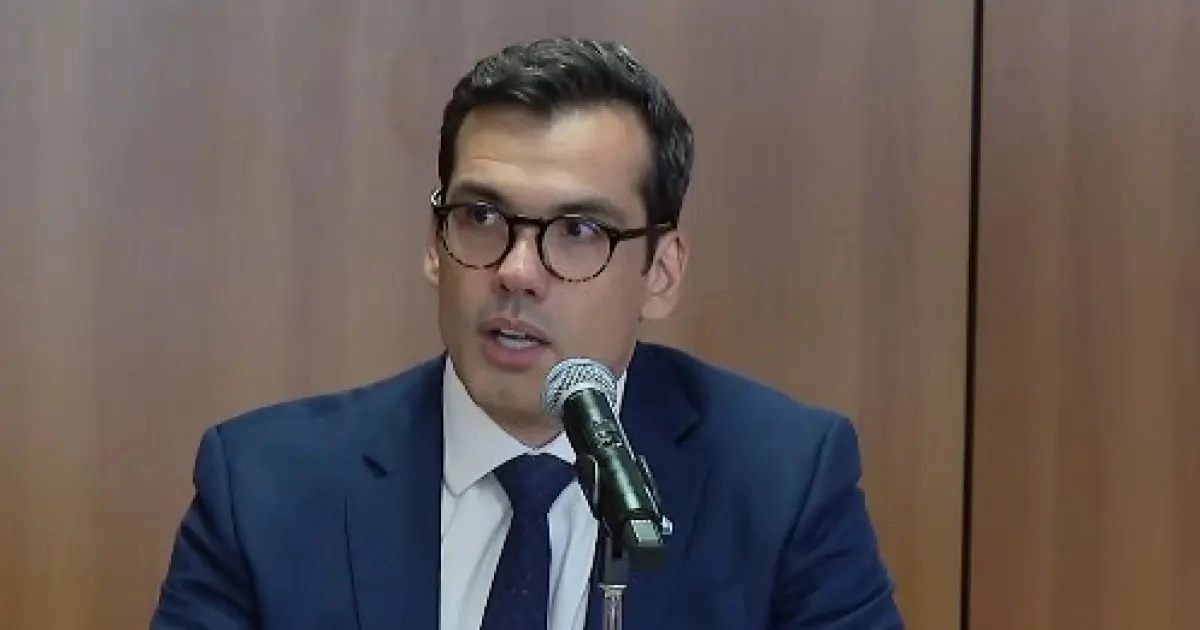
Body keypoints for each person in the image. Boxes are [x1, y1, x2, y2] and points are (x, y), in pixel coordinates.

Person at [150, 37, 904, 629]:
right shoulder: (265, 488)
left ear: (661, 272)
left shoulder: (781, 482)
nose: (516, 272)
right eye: (481, 217)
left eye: (578, 230)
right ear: (434, 244)